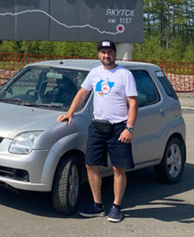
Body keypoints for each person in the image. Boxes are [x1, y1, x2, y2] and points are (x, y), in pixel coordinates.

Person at [57, 40, 138, 223]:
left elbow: (133, 103)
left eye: (109, 52)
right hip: (98, 127)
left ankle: (116, 207)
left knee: (118, 168)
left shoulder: (124, 74)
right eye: (103, 52)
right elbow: (82, 93)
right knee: (90, 165)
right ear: (98, 54)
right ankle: (97, 205)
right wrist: (70, 113)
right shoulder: (94, 73)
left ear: (115, 54)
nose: (106, 55)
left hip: (119, 128)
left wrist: (129, 128)